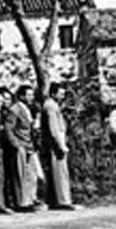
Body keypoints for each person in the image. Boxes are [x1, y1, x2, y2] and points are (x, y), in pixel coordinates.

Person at [3, 85, 38, 212]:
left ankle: (29, 199)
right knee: (20, 174)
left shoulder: (27, 109)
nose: (31, 97)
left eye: (32, 95)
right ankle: (21, 202)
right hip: (20, 146)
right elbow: (8, 129)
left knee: (30, 174)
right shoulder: (15, 109)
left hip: (29, 145)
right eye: (28, 95)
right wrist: (16, 144)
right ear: (21, 96)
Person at [41, 82, 74, 210]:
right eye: (60, 94)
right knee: (60, 173)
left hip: (56, 142)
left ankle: (56, 200)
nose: (62, 96)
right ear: (53, 93)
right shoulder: (50, 106)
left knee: (58, 172)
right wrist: (61, 145)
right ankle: (63, 200)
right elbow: (54, 129)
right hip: (55, 145)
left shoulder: (53, 105)